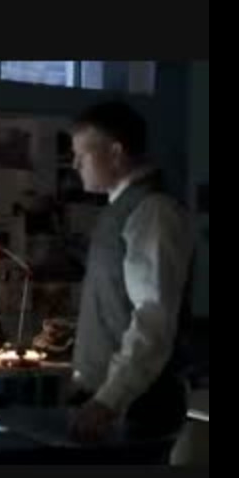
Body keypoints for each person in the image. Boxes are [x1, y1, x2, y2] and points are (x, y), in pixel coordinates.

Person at [66, 101, 195, 446]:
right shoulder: (118, 210)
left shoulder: (153, 212)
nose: (75, 164)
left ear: (115, 153)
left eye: (82, 154)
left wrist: (109, 400)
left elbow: (153, 318)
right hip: (107, 405)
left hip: (135, 409)